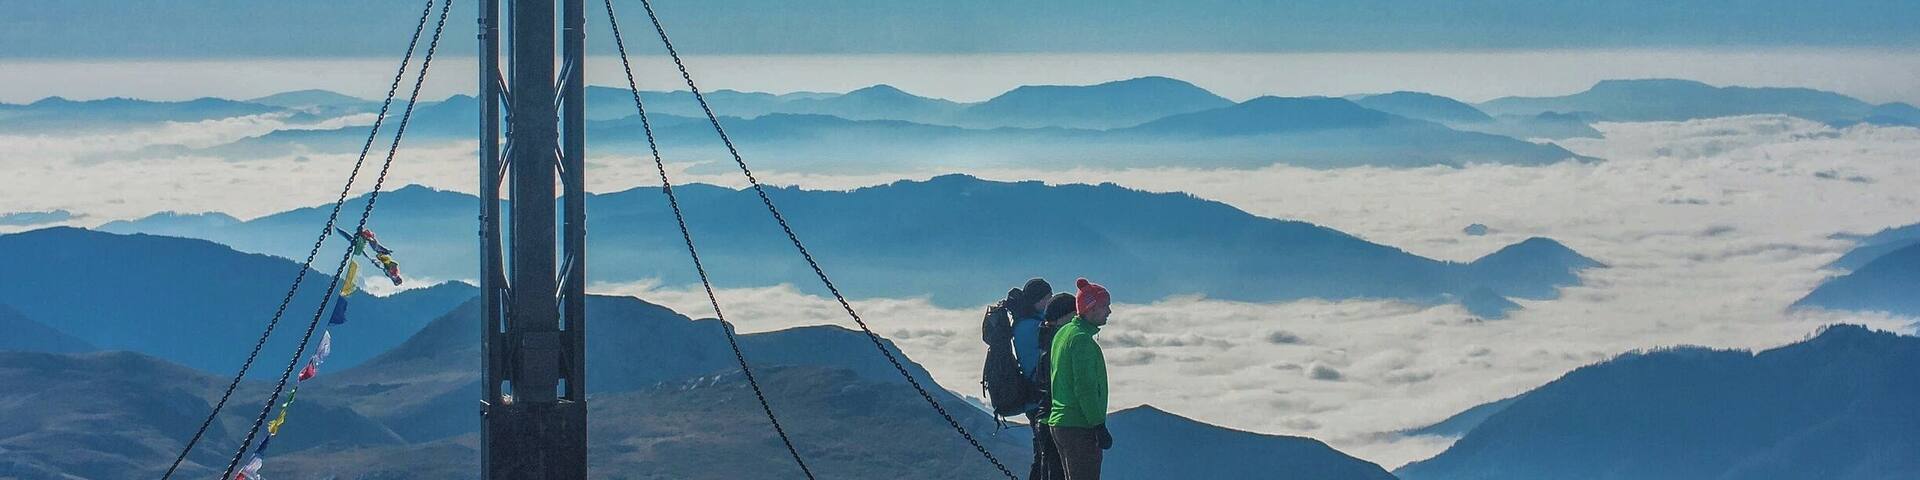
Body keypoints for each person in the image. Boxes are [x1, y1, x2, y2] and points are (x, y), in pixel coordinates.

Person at [1048, 278, 1112, 480]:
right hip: (1079, 425)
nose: (1109, 312)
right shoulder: (1081, 340)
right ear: (1091, 308)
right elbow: (1085, 388)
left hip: (1060, 422)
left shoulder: (1064, 333)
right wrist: (1098, 425)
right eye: (1105, 306)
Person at [1026, 292, 1077, 480]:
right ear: (1064, 316)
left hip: (1046, 418)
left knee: (1048, 468)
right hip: (1059, 420)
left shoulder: (1046, 344)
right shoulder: (1060, 345)